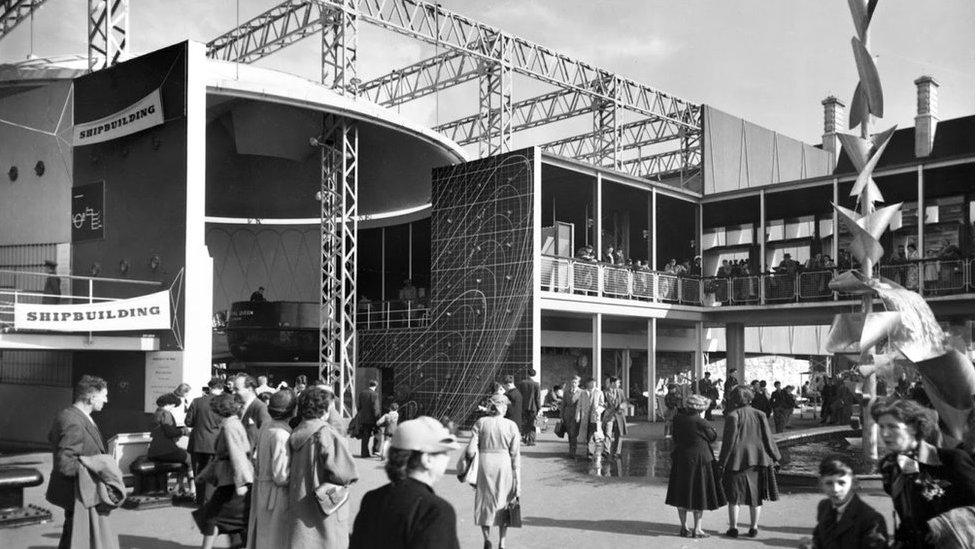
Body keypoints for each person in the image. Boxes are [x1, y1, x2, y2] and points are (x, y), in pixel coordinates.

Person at [872, 399, 975, 548]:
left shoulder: (951, 461)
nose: (885, 434)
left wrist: (943, 525)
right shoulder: (894, 467)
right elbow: (909, 517)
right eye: (881, 427)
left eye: (892, 427)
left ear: (913, 427)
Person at [350, 417, 461, 549]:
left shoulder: (372, 499)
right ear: (427, 459)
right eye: (445, 453)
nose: (447, 459)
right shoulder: (435, 511)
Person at [288, 387, 359, 548]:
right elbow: (345, 473)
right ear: (325, 408)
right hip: (324, 507)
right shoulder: (325, 433)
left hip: (300, 504)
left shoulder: (298, 430)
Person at [46, 375, 111, 549]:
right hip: (78, 493)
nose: (106, 400)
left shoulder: (70, 415)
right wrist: (98, 472)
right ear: (91, 397)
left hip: (79, 493)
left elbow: (52, 438)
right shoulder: (73, 421)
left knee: (74, 535)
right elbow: (66, 464)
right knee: (76, 537)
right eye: (104, 395)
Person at [718, 385, 781, 539]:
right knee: (755, 496)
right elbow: (768, 438)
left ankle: (733, 528)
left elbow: (728, 443)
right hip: (758, 460)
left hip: (737, 461)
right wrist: (776, 457)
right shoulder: (760, 414)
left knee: (734, 497)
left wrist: (722, 463)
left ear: (735, 399)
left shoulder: (733, 416)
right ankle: (753, 527)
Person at [192, 393, 253, 549]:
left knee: (213, 517)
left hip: (232, 480)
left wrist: (241, 482)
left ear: (219, 411)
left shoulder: (229, 426)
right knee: (231, 518)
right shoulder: (234, 423)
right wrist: (204, 475)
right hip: (233, 478)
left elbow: (236, 454)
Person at [666, 394, 726, 538]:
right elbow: (712, 437)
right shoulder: (701, 422)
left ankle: (684, 527)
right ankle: (697, 528)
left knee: (682, 493)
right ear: (701, 409)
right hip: (700, 460)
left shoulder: (678, 420)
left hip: (681, 458)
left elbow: (675, 437)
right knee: (699, 493)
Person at [467, 394, 521, 549]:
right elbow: (515, 453)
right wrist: (518, 480)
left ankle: (486, 539)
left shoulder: (481, 423)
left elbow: (471, 451)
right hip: (504, 464)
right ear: (503, 407)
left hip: (485, 463)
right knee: (503, 502)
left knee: (484, 502)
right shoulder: (511, 425)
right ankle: (502, 542)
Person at [798, 455, 888, 549]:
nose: (835, 489)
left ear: (854, 483)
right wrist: (811, 546)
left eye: (842, 483)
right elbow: (821, 539)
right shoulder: (824, 506)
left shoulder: (872, 520)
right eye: (829, 483)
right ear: (821, 484)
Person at [246, 390, 295, 549]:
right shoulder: (282, 434)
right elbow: (281, 475)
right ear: (292, 410)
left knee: (262, 533)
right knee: (275, 537)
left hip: (261, 486)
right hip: (275, 493)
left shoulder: (266, 426)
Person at [186, 377, 225, 505]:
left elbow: (188, 422)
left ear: (209, 388)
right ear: (221, 388)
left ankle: (200, 499)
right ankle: (209, 500)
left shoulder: (196, 401)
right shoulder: (222, 403)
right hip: (214, 443)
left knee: (198, 471)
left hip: (197, 443)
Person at [147, 393, 194, 497]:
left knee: (183, 456)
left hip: (154, 450)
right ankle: (192, 489)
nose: (173, 408)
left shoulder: (156, 413)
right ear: (169, 403)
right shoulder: (166, 414)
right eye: (173, 405)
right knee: (190, 458)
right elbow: (170, 433)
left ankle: (179, 486)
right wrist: (183, 431)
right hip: (166, 450)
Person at [231, 374, 271, 449]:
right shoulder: (239, 408)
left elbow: (266, 435)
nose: (233, 392)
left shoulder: (260, 408)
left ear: (249, 389)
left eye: (236, 389)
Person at [577, 377, 605, 459]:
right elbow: (579, 405)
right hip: (585, 416)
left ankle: (590, 451)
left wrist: (598, 410)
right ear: (588, 384)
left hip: (594, 417)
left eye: (594, 383)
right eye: (591, 383)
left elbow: (602, 404)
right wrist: (577, 415)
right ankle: (588, 450)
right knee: (586, 433)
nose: (593, 385)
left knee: (591, 433)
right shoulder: (583, 393)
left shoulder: (599, 392)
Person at [353, 379, 382, 458]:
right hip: (373, 418)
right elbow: (375, 408)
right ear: (376, 386)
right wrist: (378, 418)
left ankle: (364, 453)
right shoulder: (375, 395)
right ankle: (376, 450)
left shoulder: (362, 393)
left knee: (365, 435)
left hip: (364, 418)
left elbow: (359, 406)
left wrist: (362, 414)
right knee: (378, 433)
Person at [602, 376, 628, 456]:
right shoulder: (604, 392)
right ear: (612, 383)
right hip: (609, 415)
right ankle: (606, 450)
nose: (619, 384)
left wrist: (622, 405)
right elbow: (602, 403)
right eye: (618, 382)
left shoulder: (620, 391)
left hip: (619, 415)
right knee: (607, 432)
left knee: (619, 433)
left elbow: (625, 402)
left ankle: (617, 452)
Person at [516, 369, 541, 446]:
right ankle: (531, 440)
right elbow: (537, 398)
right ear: (534, 375)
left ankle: (525, 438)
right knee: (532, 424)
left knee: (525, 422)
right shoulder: (536, 384)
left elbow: (519, 395)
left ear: (527, 374)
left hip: (523, 406)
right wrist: (539, 408)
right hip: (533, 407)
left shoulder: (522, 383)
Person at [560, 375, 582, 457]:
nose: (573, 384)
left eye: (575, 382)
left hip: (576, 415)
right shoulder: (566, 392)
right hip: (567, 414)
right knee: (569, 433)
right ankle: (571, 449)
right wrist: (561, 416)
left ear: (578, 383)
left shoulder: (581, 392)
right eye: (572, 382)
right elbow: (563, 405)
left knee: (574, 433)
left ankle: (573, 451)